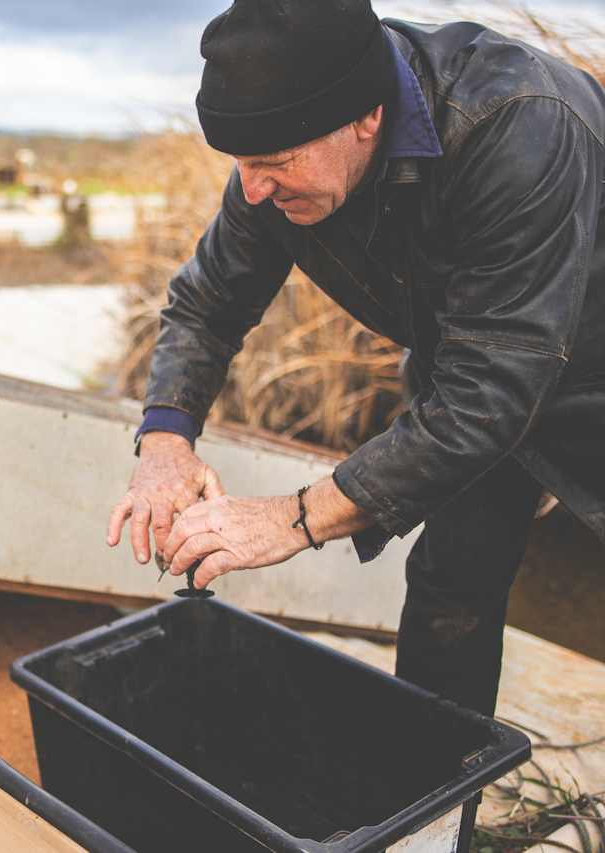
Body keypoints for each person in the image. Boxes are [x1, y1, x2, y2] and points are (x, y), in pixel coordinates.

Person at [107, 0, 605, 719]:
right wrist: (163, 443)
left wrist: (295, 518)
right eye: (241, 166)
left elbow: (488, 398)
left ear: (367, 117)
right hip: (479, 366)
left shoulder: (517, 123)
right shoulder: (275, 161)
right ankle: (434, 801)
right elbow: (207, 303)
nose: (252, 191)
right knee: (450, 579)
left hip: (582, 361)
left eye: (274, 165)